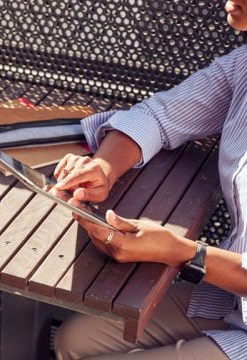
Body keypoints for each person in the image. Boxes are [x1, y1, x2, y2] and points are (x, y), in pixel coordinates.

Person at [51, 1, 247, 359]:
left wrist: (185, 253)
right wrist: (105, 168)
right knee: (73, 342)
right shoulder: (243, 65)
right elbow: (159, 116)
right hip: (230, 299)